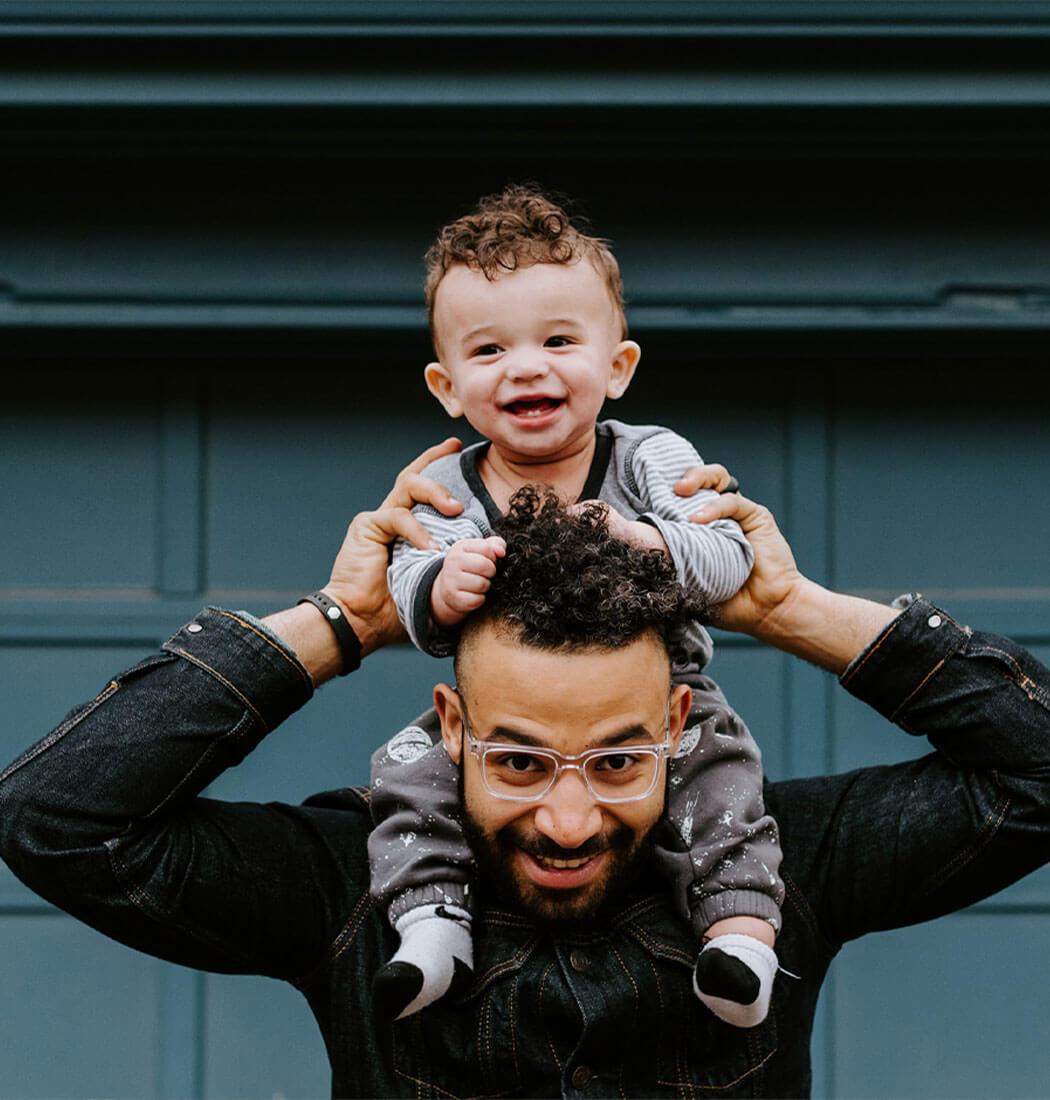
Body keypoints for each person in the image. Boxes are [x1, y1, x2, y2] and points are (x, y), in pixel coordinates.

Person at [1, 439, 1048, 1098]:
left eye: (617, 758)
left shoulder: (782, 865)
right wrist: (344, 622)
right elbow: (57, 817)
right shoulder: (349, 883)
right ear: (450, 725)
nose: (565, 818)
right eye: (517, 759)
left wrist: (790, 612)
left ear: (680, 719)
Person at [371, 184, 783, 1026]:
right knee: (407, 775)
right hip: (501, 714)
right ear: (448, 387)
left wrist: (648, 542)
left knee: (723, 777)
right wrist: (438, 586)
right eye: (489, 352)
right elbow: (408, 587)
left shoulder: (648, 458)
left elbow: (727, 556)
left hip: (666, 692)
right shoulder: (446, 484)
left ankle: (739, 936)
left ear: (617, 367)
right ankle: (430, 925)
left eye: (559, 340)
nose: (526, 366)